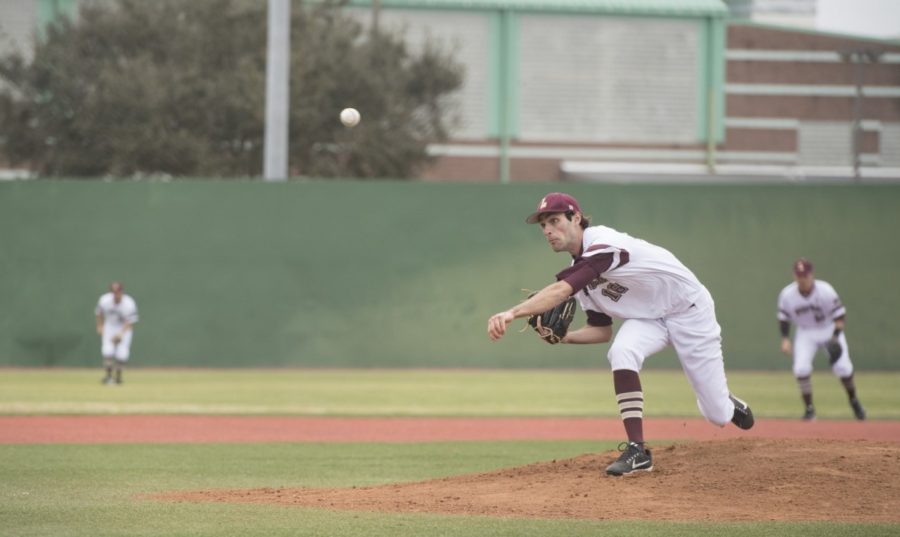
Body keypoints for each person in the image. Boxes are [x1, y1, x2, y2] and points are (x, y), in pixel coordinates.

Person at [487, 192, 754, 476]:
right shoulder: (584, 277)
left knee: (717, 415)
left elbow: (562, 290)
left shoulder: (603, 244)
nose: (548, 230)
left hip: (690, 310)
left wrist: (512, 313)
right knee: (621, 350)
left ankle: (726, 401)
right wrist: (565, 337)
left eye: (554, 220)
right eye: (543, 226)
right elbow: (601, 331)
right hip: (649, 318)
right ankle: (637, 450)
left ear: (576, 218)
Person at [777, 258, 865, 421]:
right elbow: (784, 318)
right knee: (801, 369)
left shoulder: (826, 290)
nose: (802, 279)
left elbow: (840, 316)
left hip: (828, 329)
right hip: (805, 332)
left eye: (805, 275)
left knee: (844, 368)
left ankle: (854, 400)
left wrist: (835, 337)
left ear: (811, 275)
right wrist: (785, 339)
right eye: (799, 275)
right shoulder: (787, 294)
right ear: (794, 276)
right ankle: (809, 410)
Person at [95, 281, 139, 385]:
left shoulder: (129, 303)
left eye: (118, 291)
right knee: (107, 351)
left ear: (121, 291)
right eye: (113, 291)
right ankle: (108, 377)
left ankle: (118, 378)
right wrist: (100, 326)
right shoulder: (104, 300)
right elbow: (99, 313)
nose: (115, 294)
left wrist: (120, 334)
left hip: (123, 328)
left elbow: (130, 322)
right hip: (109, 326)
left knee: (122, 354)